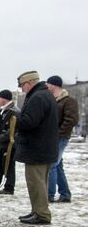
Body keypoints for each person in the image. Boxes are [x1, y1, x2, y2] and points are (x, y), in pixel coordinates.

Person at [15, 71, 58, 225]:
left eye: (22, 85)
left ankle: (41, 214)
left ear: (30, 82)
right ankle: (38, 211)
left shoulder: (38, 97)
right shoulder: (45, 95)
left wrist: (15, 117)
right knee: (40, 182)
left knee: (36, 183)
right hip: (43, 147)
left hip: (36, 148)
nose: (21, 89)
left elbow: (28, 122)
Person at [46, 75, 78, 203]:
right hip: (54, 137)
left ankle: (50, 194)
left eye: (48, 84)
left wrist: (59, 134)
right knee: (58, 166)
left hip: (61, 137)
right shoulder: (54, 100)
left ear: (54, 85)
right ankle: (65, 194)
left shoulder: (69, 100)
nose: (46, 86)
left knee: (52, 165)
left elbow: (71, 120)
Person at [0, 89, 19, 195]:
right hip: (2, 144)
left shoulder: (13, 111)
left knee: (9, 165)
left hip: (9, 144)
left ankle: (9, 187)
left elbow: (12, 130)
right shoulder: (3, 110)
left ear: (3, 99)